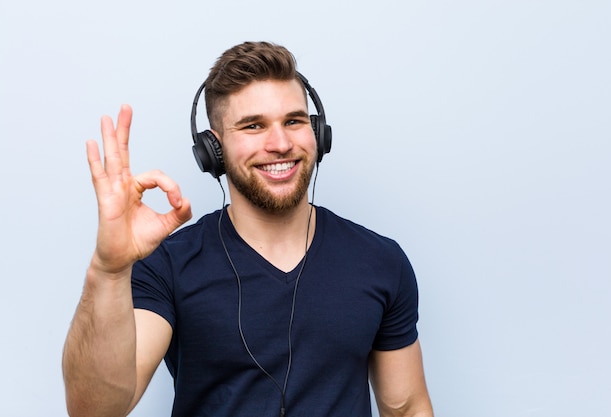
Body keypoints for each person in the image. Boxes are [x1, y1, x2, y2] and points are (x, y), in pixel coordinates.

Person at [62, 41, 433, 417]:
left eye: (294, 121)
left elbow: (406, 408)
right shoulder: (168, 266)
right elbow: (95, 410)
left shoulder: (380, 260)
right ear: (214, 149)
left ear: (318, 133)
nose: (281, 144)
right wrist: (108, 271)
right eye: (253, 126)